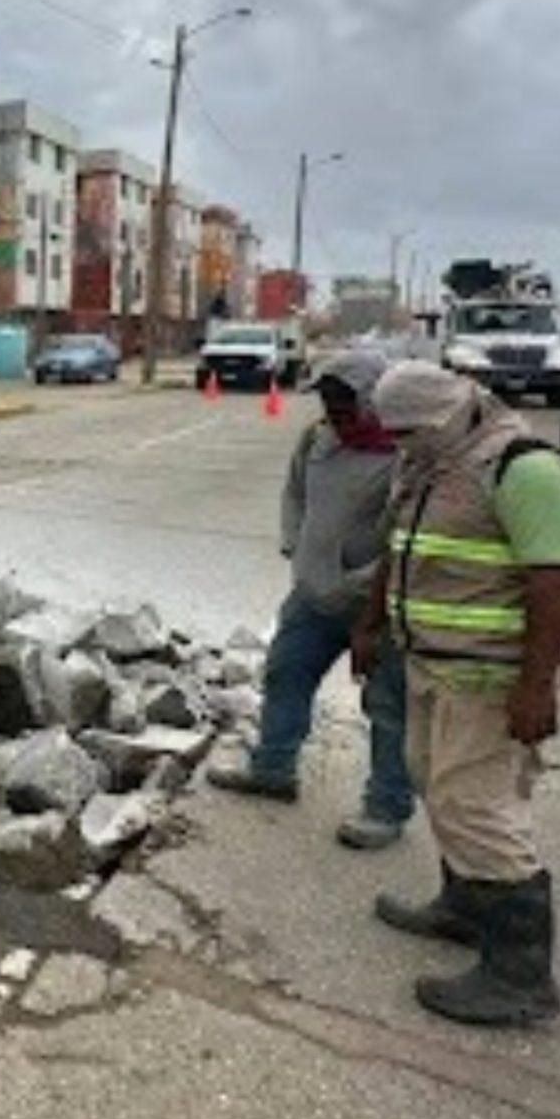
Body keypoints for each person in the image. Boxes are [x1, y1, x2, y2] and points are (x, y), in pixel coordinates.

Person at [355, 360, 560, 1027]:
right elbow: (399, 546)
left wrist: (536, 685)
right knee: (433, 780)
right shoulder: (429, 460)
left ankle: (521, 976)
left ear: (445, 415)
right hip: (428, 659)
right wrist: (372, 622)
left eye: (407, 432)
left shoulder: (525, 469)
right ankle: (464, 905)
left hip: (489, 676)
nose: (399, 444)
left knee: (479, 805)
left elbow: (552, 582)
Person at [206, 351, 415, 848]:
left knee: (388, 707)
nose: (335, 415)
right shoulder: (317, 438)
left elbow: (406, 540)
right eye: (328, 403)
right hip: (312, 597)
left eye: (345, 405)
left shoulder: (404, 456)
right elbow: (294, 492)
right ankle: (273, 769)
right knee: (284, 673)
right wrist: (294, 542)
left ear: (372, 402)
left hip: (376, 607)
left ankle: (386, 808)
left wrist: (361, 589)